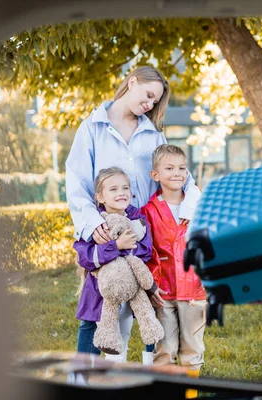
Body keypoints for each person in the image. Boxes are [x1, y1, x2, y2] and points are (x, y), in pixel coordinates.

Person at [65, 65, 199, 362]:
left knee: (150, 305)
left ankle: (149, 372)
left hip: (147, 234)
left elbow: (178, 176)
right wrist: (92, 224)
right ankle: (81, 378)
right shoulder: (92, 128)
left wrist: (192, 208)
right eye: (149, 95)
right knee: (99, 308)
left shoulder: (152, 134)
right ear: (133, 82)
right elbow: (77, 184)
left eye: (155, 102)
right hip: (106, 233)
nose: (150, 105)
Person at [141, 145, 206, 398]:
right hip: (163, 290)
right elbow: (146, 253)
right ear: (155, 175)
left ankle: (190, 394)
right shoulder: (148, 211)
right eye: (169, 168)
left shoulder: (198, 207)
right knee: (165, 346)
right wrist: (151, 284)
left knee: (192, 346)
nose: (177, 173)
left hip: (194, 288)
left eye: (181, 167)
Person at [73, 167, 159, 359]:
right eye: (113, 189)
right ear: (100, 197)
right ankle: (82, 379)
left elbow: (144, 252)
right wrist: (116, 246)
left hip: (129, 290)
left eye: (125, 188)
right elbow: (86, 258)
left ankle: (115, 378)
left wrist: (126, 251)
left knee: (122, 338)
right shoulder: (94, 223)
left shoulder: (138, 220)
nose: (121, 193)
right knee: (94, 331)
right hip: (98, 291)